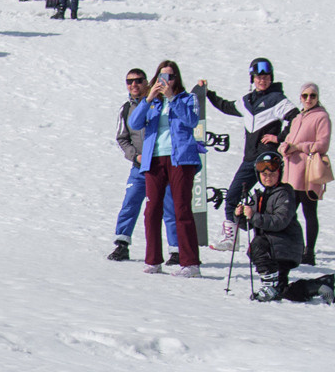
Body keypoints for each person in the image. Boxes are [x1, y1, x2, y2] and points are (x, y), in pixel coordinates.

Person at [206, 57, 301, 246]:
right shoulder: (247, 101)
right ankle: (231, 239)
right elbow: (226, 106)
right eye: (258, 77)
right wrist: (207, 93)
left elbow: (296, 118)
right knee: (233, 195)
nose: (262, 80)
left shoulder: (277, 99)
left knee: (272, 201)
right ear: (252, 78)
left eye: (266, 76)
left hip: (268, 160)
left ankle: (278, 239)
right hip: (250, 160)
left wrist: (279, 138)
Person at [128, 60, 205, 273]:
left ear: (176, 79)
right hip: (154, 159)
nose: (166, 81)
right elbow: (134, 123)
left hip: (180, 159)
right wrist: (149, 98)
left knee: (181, 208)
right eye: (162, 76)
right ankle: (153, 260)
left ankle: (190, 263)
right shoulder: (153, 102)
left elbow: (192, 120)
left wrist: (172, 97)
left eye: (170, 76)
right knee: (152, 210)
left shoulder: (187, 98)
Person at [240, 153, 335, 303]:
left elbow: (279, 221)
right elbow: (246, 225)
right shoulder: (259, 196)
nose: (268, 177)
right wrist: (240, 215)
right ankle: (320, 285)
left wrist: (253, 216)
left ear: (279, 174)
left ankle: (269, 286)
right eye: (264, 174)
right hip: (275, 247)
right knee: (284, 292)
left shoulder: (285, 193)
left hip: (285, 246)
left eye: (272, 174)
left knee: (257, 245)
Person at [109, 68, 176, 261]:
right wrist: (135, 156)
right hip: (140, 166)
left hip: (162, 163)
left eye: (138, 81)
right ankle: (122, 244)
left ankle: (176, 250)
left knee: (169, 205)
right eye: (129, 82)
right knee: (130, 201)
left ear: (147, 82)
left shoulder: (159, 101)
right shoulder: (126, 109)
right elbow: (122, 138)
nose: (134, 85)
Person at [279, 82, 332, 263]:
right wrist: (284, 147)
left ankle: (309, 252)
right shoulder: (298, 117)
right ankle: (293, 247)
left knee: (309, 212)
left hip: (308, 173)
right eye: (305, 96)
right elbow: (288, 139)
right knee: (289, 212)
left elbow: (322, 145)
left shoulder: (321, 117)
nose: (308, 99)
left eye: (312, 96)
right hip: (292, 173)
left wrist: (298, 147)